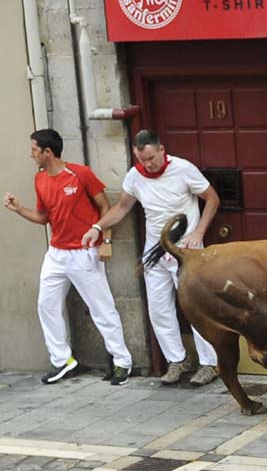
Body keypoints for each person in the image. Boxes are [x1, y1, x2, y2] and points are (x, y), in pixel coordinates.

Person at [80, 130, 221, 387]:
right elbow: (122, 207)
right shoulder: (135, 176)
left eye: (152, 158)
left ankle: (210, 363)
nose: (148, 164)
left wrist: (199, 232)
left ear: (161, 150)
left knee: (196, 308)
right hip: (154, 250)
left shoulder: (183, 169)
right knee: (158, 308)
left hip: (185, 247)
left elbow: (211, 199)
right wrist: (97, 228)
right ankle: (176, 360)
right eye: (142, 159)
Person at [3, 130, 133, 386]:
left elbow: (106, 208)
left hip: (84, 252)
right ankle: (62, 360)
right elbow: (43, 218)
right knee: (46, 305)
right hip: (56, 254)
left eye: (34, 150)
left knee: (101, 308)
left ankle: (122, 362)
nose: (31, 154)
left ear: (47, 152)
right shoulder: (40, 179)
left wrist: (105, 241)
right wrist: (19, 209)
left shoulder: (80, 174)